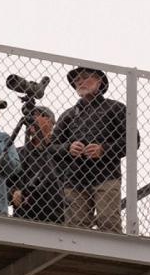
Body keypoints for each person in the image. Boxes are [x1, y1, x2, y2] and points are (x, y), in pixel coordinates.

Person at [51, 67, 133, 232]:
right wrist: (68, 148)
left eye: (85, 77)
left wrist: (104, 149)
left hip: (106, 175)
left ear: (99, 81)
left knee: (108, 222)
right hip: (74, 179)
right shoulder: (68, 115)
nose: (80, 81)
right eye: (76, 80)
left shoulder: (115, 108)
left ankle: (113, 257)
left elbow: (132, 140)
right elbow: (52, 146)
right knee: (76, 228)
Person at [9, 106, 63, 223]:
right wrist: (13, 193)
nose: (34, 119)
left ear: (51, 122)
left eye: (40, 115)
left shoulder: (60, 152)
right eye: (32, 116)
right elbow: (5, 182)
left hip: (57, 215)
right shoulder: (18, 153)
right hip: (24, 215)